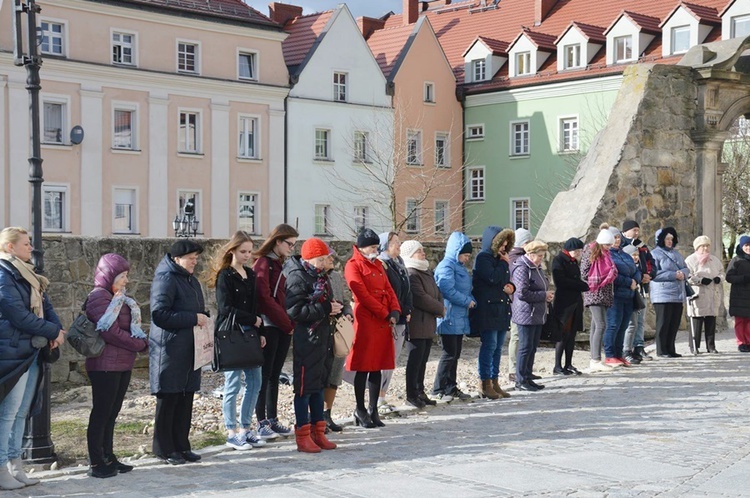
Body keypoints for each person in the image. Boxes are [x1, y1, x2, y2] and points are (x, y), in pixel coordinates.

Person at [0, 227, 65, 490]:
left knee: (21, 414)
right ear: (9, 247)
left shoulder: (30, 276)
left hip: (33, 351)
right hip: (13, 353)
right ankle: (2, 468)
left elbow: (46, 307)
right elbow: (17, 315)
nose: (31, 248)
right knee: (8, 414)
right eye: (25, 244)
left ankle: (16, 466)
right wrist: (52, 331)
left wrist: (57, 330)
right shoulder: (4, 275)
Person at [85, 253, 148, 477]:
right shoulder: (98, 297)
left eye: (127, 276)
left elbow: (127, 327)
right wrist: (138, 344)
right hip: (103, 364)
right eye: (122, 275)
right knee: (101, 413)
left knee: (112, 413)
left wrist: (139, 342)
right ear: (109, 275)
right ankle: (95, 462)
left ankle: (108, 457)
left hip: (122, 362)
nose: (126, 280)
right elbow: (108, 330)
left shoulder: (120, 297)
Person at [205, 231, 267, 451]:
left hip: (250, 332)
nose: (247, 256)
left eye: (250, 252)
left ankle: (245, 428)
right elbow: (225, 308)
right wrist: (253, 320)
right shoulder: (225, 275)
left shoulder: (250, 275)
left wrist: (261, 332)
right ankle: (231, 431)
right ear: (232, 251)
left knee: (255, 382)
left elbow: (255, 305)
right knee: (232, 384)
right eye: (243, 251)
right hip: (231, 332)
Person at [149, 240, 208, 465]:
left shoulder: (189, 279)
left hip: (189, 348)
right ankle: (164, 448)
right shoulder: (166, 279)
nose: (195, 261)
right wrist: (193, 318)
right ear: (176, 259)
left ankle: (182, 445)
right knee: (170, 398)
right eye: (191, 257)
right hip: (170, 350)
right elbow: (160, 314)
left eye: (196, 257)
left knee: (186, 397)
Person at [285, 238, 340, 452]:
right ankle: (302, 434)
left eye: (325, 259)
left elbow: (323, 304)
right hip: (307, 339)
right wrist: (326, 307)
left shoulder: (321, 277)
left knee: (318, 386)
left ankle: (319, 432)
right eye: (320, 259)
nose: (324, 263)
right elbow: (295, 311)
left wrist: (334, 307)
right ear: (309, 259)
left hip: (322, 337)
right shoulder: (297, 277)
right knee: (303, 389)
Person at [345, 228, 401, 428]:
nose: (375, 250)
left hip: (382, 318)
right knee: (363, 366)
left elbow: (388, 288)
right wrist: (383, 312)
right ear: (361, 247)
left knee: (377, 365)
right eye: (372, 246)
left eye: (377, 246)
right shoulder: (353, 265)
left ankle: (373, 408)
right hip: (367, 318)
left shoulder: (378, 264)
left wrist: (395, 309)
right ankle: (360, 408)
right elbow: (362, 293)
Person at [253, 224, 298, 439]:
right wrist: (285, 323)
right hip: (271, 325)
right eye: (289, 244)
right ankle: (261, 421)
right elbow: (264, 298)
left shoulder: (278, 264)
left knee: (274, 375)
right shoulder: (264, 263)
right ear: (278, 241)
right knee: (264, 375)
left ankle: (272, 418)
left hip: (281, 325)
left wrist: (288, 322)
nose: (291, 248)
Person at [470, 226, 515, 399]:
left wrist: (512, 287)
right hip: (488, 309)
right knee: (489, 346)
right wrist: (504, 263)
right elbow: (493, 278)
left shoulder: (499, 258)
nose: (504, 247)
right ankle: (485, 382)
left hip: (501, 308)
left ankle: (495, 381)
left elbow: (505, 281)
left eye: (506, 243)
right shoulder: (484, 258)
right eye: (502, 242)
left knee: (497, 348)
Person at [432, 231, 476, 402]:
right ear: (456, 252)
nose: (466, 258)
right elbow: (447, 290)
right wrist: (467, 301)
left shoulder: (458, 266)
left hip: (458, 315)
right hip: (449, 315)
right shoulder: (446, 266)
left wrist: (470, 299)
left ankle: (451, 387)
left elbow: (464, 289)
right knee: (449, 353)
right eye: (464, 255)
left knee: (455, 354)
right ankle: (438, 388)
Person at [401, 240, 443, 408]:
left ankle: (420, 391)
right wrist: (440, 308)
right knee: (414, 361)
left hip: (429, 322)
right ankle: (411, 393)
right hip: (417, 323)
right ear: (411, 254)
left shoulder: (425, 270)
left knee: (423, 360)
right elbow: (420, 297)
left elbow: (436, 291)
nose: (423, 253)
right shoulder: (411, 273)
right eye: (419, 251)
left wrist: (439, 306)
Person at [376, 232, 413, 413]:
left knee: (392, 360)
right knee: (383, 359)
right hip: (389, 319)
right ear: (385, 245)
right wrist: (396, 311)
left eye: (399, 242)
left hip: (401, 319)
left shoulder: (400, 264)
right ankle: (376, 398)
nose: (399, 245)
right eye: (395, 242)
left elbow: (407, 290)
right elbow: (387, 292)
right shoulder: (382, 264)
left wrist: (407, 310)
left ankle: (382, 396)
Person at [511, 240, 554, 392]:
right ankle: (521, 379)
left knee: (533, 347)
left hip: (536, 312)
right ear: (530, 254)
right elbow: (521, 292)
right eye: (540, 256)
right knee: (525, 347)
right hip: (525, 312)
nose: (542, 259)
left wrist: (545, 296)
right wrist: (543, 295)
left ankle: (528, 376)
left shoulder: (536, 267)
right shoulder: (522, 268)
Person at [580, 228, 618, 372]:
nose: (609, 247)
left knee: (597, 326)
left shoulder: (606, 254)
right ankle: (595, 359)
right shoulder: (590, 252)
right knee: (601, 324)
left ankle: (595, 358)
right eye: (607, 245)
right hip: (594, 291)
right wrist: (598, 278)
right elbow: (584, 272)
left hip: (605, 292)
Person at [551, 238, 589, 376]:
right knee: (562, 334)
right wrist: (581, 285)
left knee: (572, 335)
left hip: (575, 302)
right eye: (577, 251)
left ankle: (568, 363)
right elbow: (560, 281)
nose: (579, 253)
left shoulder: (573, 261)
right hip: (565, 303)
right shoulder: (559, 260)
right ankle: (557, 365)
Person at [651, 227, 690, 358]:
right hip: (662, 294)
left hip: (677, 294)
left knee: (674, 323)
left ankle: (671, 349)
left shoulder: (677, 254)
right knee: (663, 323)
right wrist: (674, 275)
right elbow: (654, 274)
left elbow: (686, 268)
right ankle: (662, 350)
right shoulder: (654, 254)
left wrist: (683, 273)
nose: (670, 241)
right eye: (667, 239)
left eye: (671, 239)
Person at [603, 231, 641, 367]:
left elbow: (636, 270)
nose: (617, 240)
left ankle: (619, 354)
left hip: (629, 295)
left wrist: (635, 280)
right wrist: (628, 282)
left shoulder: (625, 255)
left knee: (623, 326)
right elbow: (611, 274)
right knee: (613, 325)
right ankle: (609, 354)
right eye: (614, 237)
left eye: (618, 237)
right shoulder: (607, 256)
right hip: (615, 295)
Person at [621, 220, 656, 362]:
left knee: (640, 320)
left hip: (642, 287)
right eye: (633, 230)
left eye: (637, 230)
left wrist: (650, 274)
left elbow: (650, 261)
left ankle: (639, 347)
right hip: (630, 287)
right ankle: (626, 349)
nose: (636, 232)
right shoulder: (622, 245)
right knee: (630, 322)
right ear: (626, 231)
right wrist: (639, 276)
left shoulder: (641, 245)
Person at [685, 236, 724, 354]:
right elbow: (688, 275)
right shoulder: (690, 260)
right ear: (697, 247)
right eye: (703, 246)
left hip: (712, 294)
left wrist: (719, 278)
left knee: (711, 320)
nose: (706, 248)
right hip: (699, 294)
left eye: (707, 245)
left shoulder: (714, 260)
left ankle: (711, 346)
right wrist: (700, 280)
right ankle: (694, 346)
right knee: (697, 321)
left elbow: (722, 272)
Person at [507, 228, 533, 382]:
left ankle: (524, 369)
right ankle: (513, 369)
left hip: (520, 301)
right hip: (516, 302)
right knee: (516, 336)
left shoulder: (522, 257)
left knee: (523, 337)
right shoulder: (515, 258)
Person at [725, 235, 750, 352]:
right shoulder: (736, 260)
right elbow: (729, 277)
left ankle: (749, 342)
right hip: (739, 296)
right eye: (746, 245)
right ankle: (741, 342)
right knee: (740, 321)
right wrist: (743, 278)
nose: (748, 247)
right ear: (741, 246)